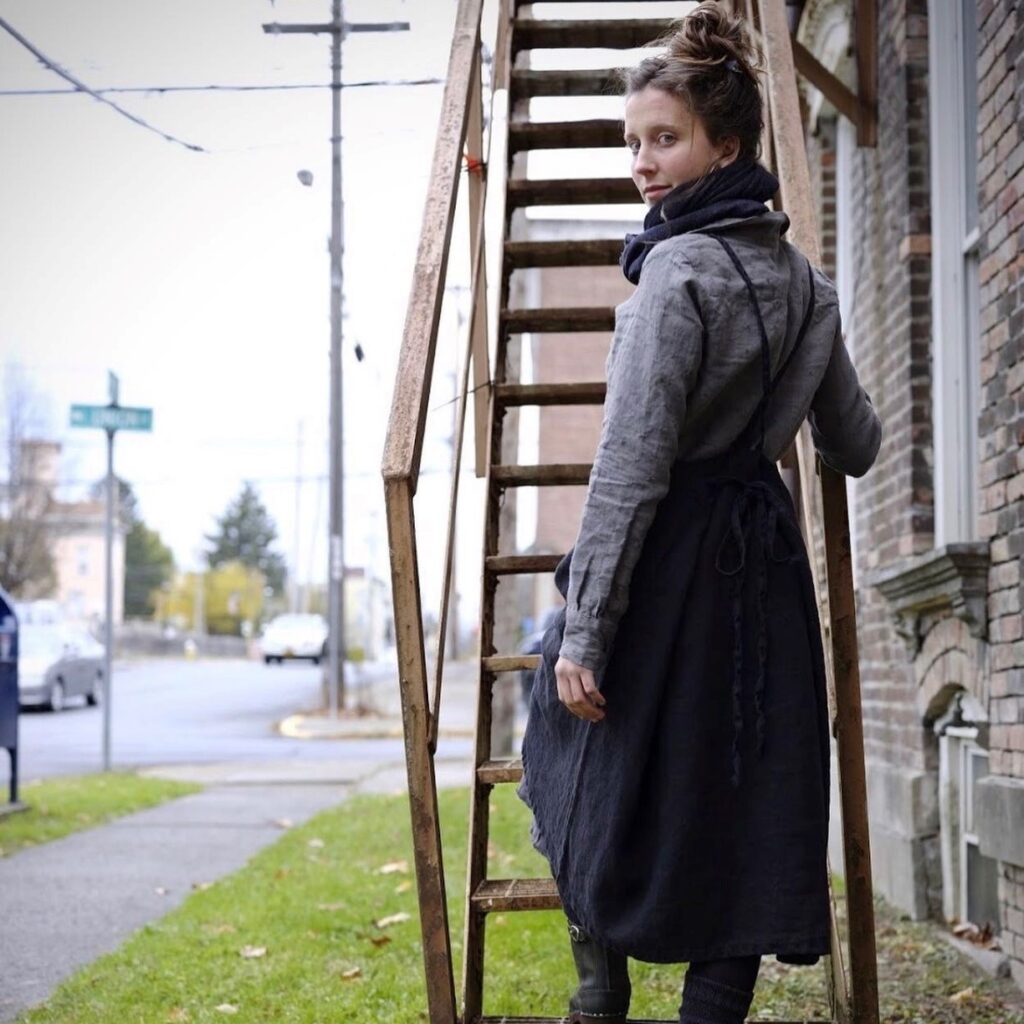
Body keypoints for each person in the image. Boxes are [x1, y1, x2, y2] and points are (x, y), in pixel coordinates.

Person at [517, 4, 882, 1024]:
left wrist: (588, 626)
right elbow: (854, 444)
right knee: (739, 800)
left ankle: (598, 995)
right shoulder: (806, 287)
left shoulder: (675, 275)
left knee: (573, 751)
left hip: (665, 560)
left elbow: (629, 468)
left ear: (727, 145)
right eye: (632, 141)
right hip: (762, 570)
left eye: (664, 139)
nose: (642, 162)